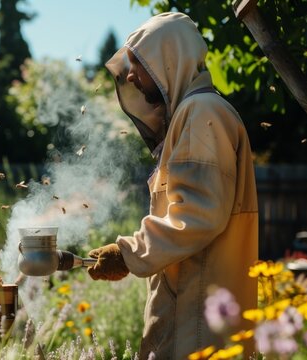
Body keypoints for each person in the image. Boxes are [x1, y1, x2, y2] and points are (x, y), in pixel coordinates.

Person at [86, 12, 259, 359]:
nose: (131, 75)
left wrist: (128, 252)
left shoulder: (201, 113)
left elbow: (197, 215)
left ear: (167, 60)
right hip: (193, 313)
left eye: (138, 64)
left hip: (199, 325)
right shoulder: (194, 113)